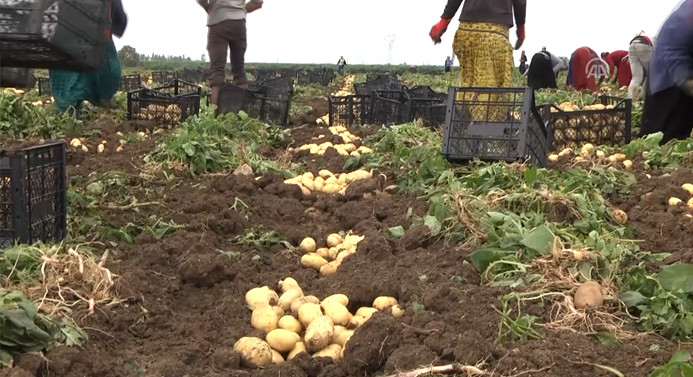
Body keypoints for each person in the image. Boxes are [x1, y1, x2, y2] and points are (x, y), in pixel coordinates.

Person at [48, 0, 127, 116]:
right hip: (70, 30)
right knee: (69, 76)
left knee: (98, 68)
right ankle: (70, 113)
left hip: (85, 30)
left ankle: (73, 110)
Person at [639, 0, 693, 144]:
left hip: (682, 77)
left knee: (680, 140)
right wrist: (687, 80)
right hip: (669, 82)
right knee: (658, 140)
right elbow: (672, 47)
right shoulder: (689, 11)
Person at [197, 0, 263, 105]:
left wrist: (208, 7)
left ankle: (215, 114)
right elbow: (258, 2)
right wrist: (239, 10)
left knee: (217, 72)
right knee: (239, 71)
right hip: (238, 24)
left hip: (217, 21)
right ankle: (241, 112)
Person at [628, 32, 653, 100]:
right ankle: (644, 97)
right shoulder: (659, 42)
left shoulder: (653, 37)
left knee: (636, 77)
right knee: (651, 74)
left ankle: (630, 101)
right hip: (644, 44)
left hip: (632, 44)